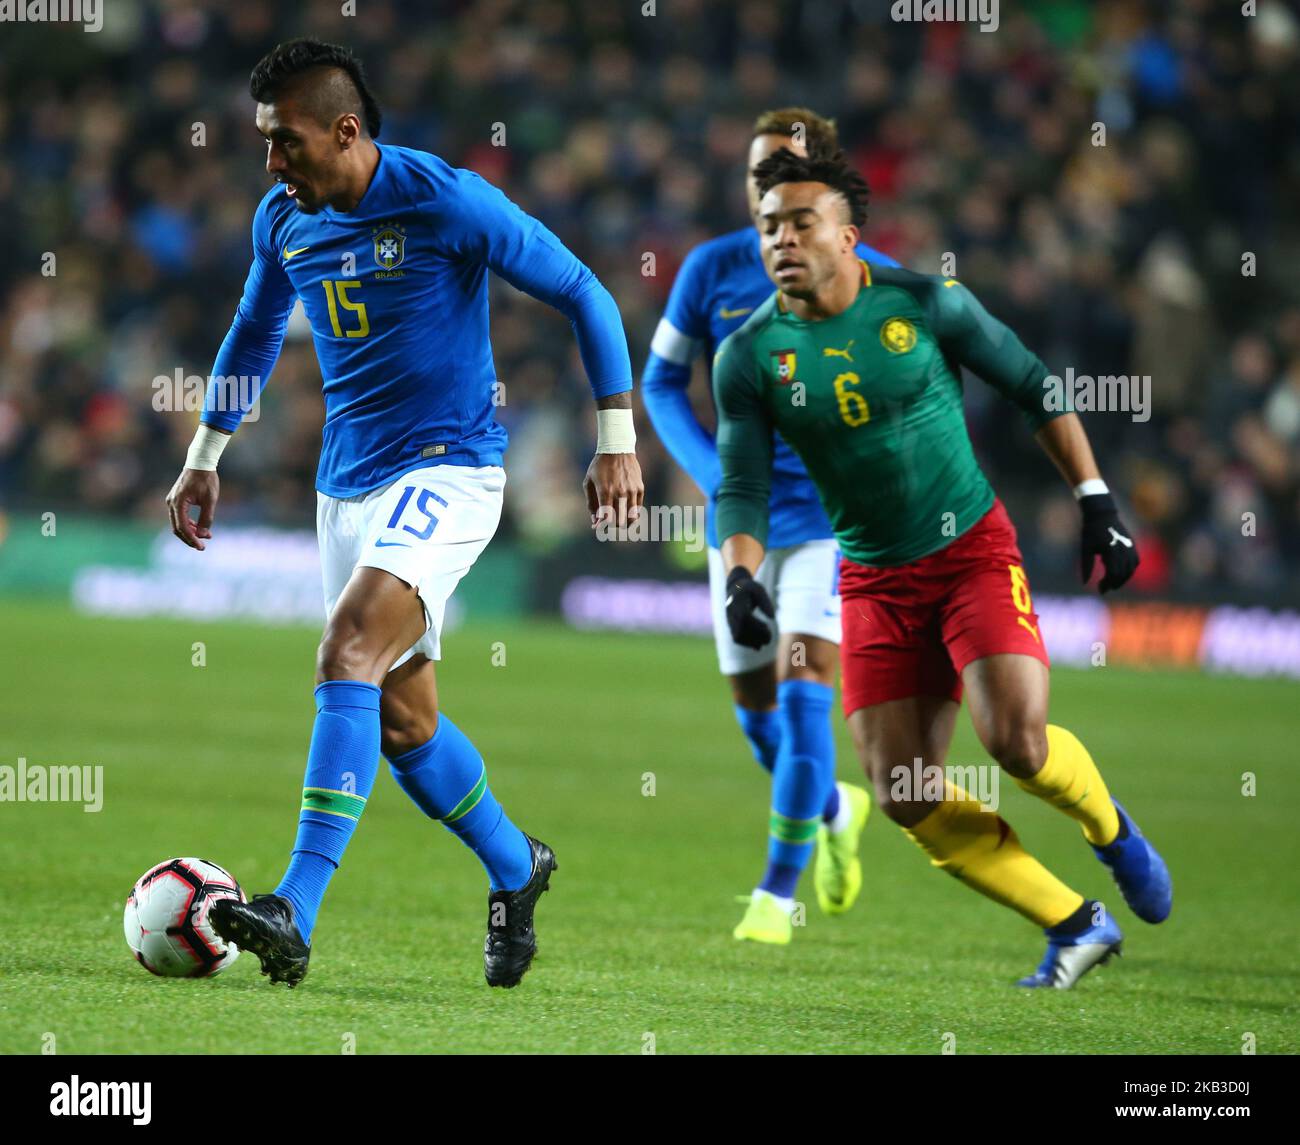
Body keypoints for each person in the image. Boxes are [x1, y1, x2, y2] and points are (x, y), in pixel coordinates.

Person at [164, 38, 643, 989]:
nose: (271, 163)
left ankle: (294, 906)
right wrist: (205, 454)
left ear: (347, 131)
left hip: (451, 470)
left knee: (346, 649)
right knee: (403, 720)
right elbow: (256, 331)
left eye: (286, 142)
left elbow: (583, 290)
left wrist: (617, 436)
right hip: (346, 488)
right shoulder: (282, 219)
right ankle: (518, 865)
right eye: (264, 143)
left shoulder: (444, 200)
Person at [712, 147, 1171, 987]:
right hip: (874, 581)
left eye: (800, 222)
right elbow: (740, 484)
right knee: (905, 791)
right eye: (768, 224)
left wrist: (1098, 502)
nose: (781, 238)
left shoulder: (926, 304)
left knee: (1016, 742)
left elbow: (1034, 386)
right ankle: (1076, 922)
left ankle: (1110, 828)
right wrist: (743, 576)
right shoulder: (748, 357)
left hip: (971, 555)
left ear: (849, 237)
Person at [642, 109, 899, 945]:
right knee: (758, 714)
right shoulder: (712, 269)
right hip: (745, 532)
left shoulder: (878, 279)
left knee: (800, 701)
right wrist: (719, 477)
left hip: (832, 528)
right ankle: (833, 807)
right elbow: (659, 383)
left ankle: (773, 897)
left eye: (786, 169)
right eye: (758, 173)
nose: (768, 187)